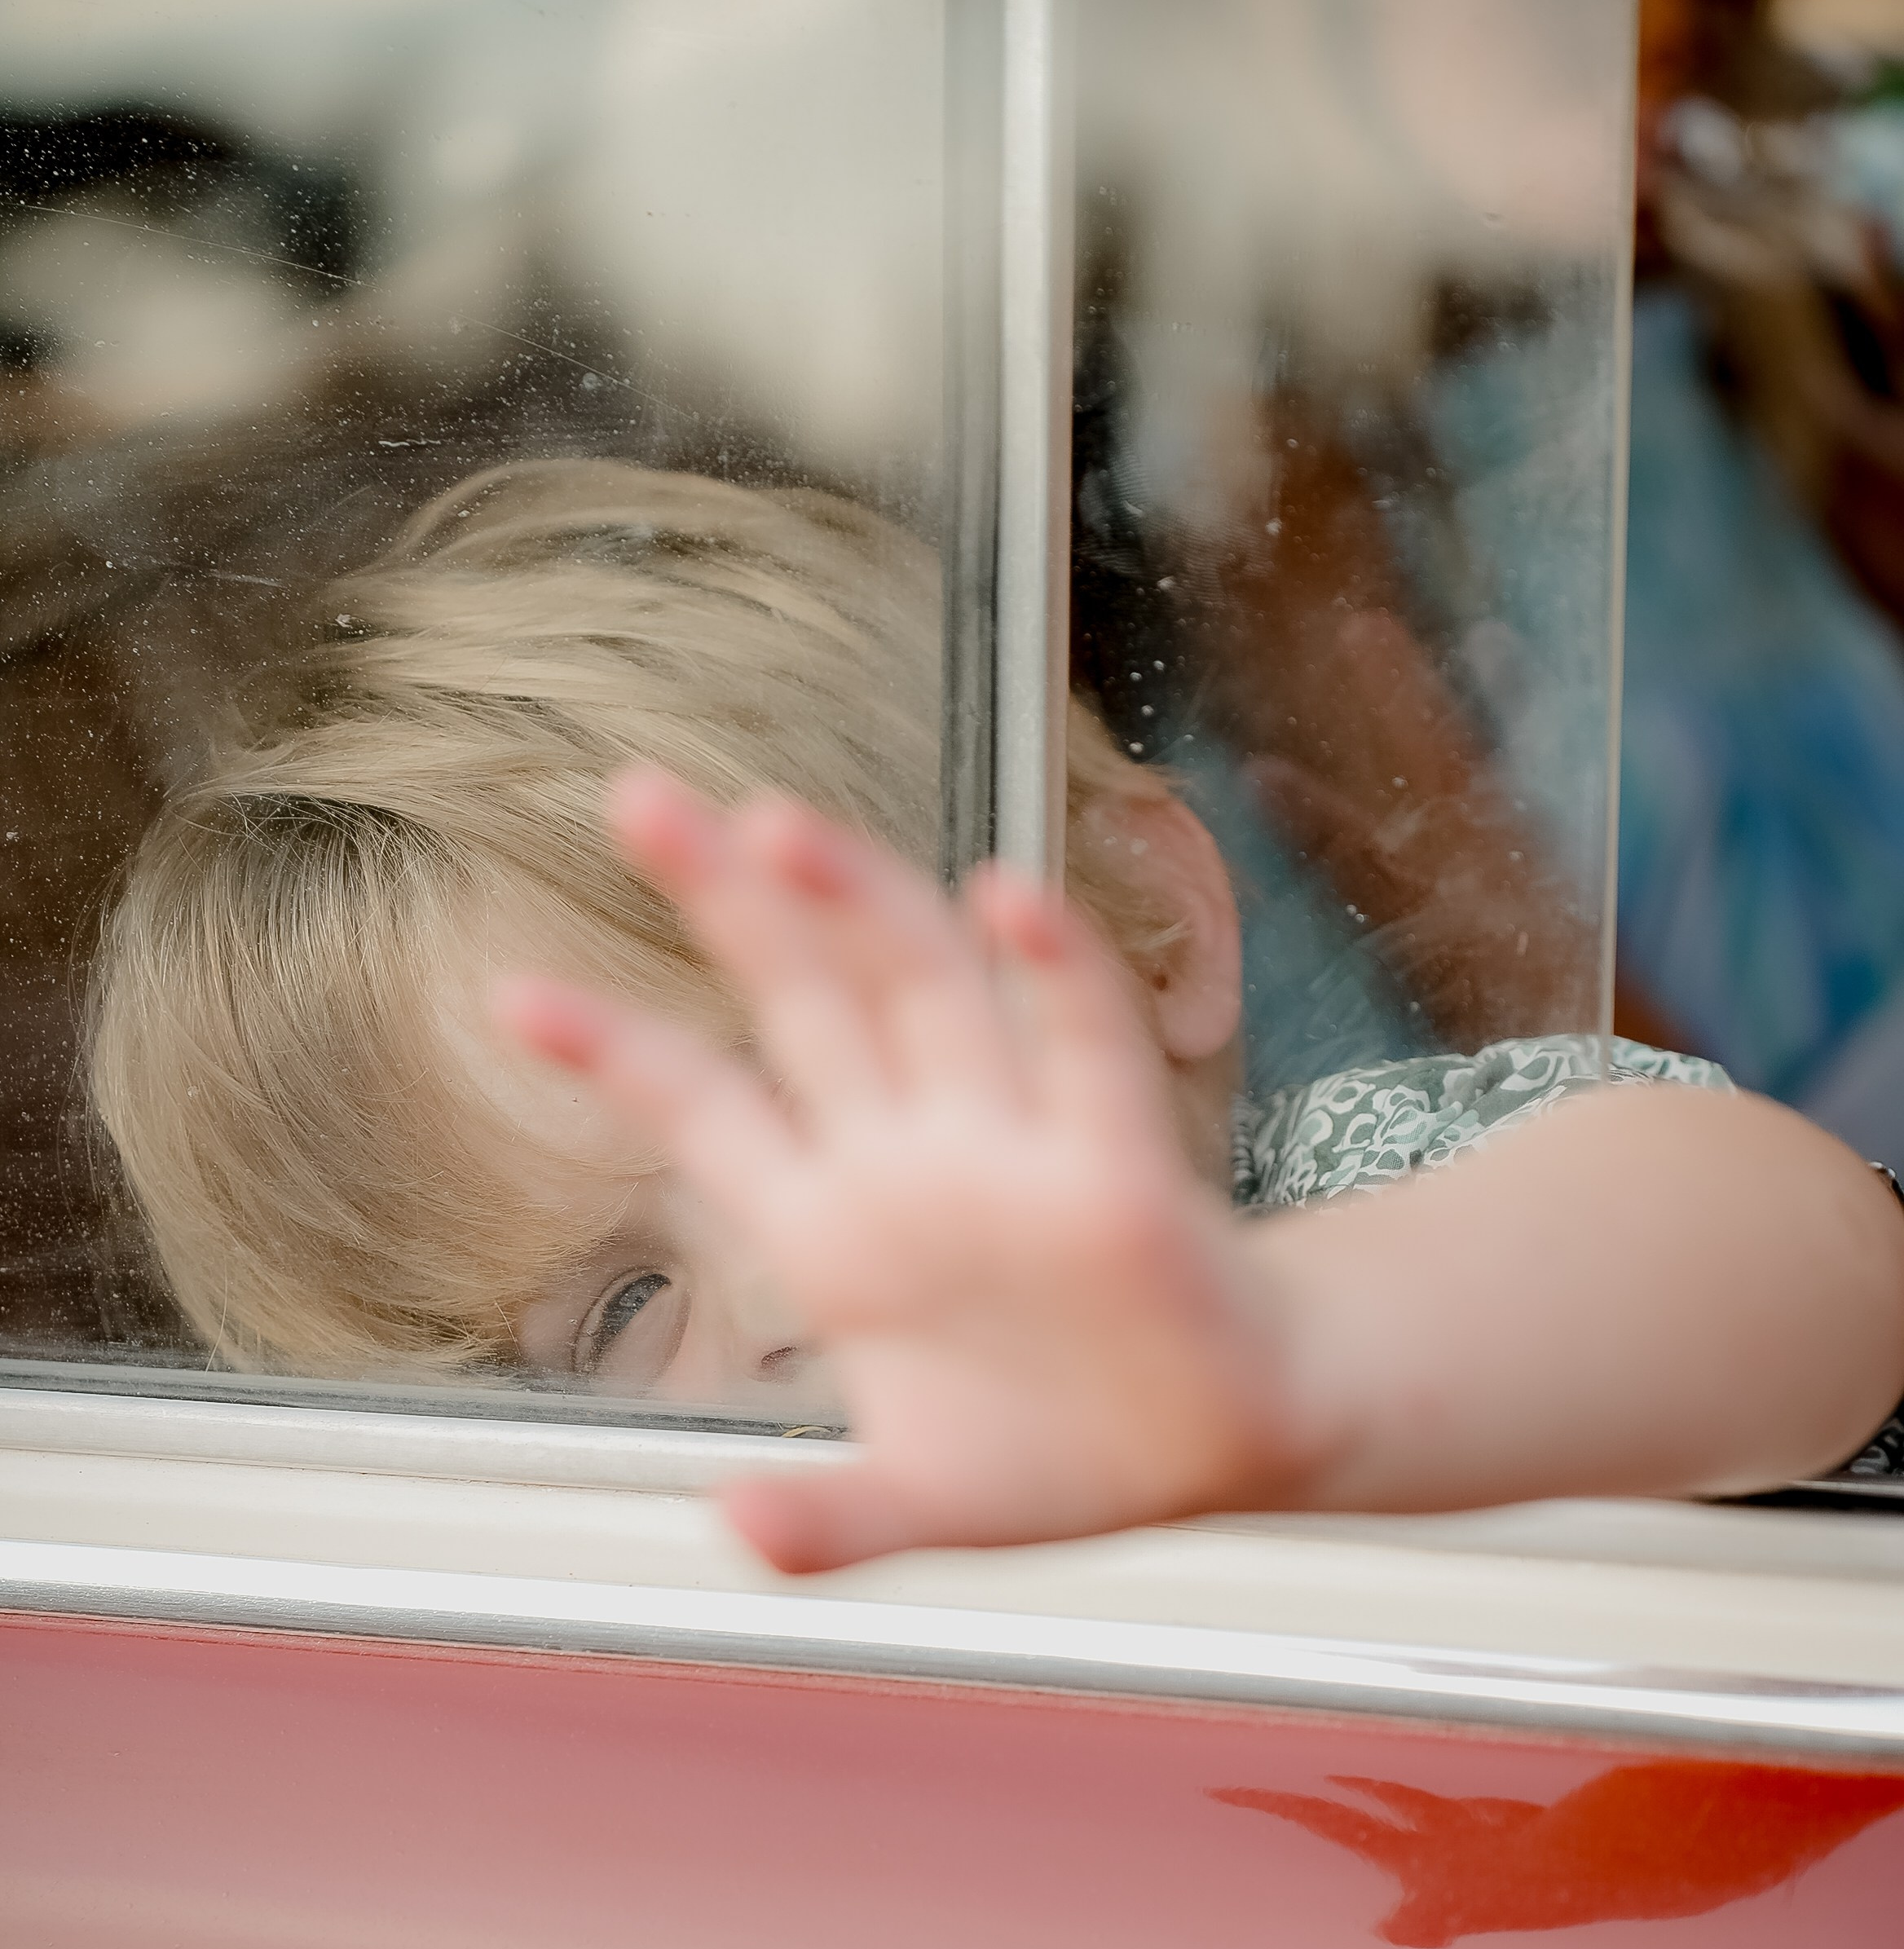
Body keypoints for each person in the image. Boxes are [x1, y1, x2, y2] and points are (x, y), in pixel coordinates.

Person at [89, 458, 1904, 1572]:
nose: (795, 1299)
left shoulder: (1345, 1217)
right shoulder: (748, 1566)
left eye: (833, 1095)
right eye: (626, 1308)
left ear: (1156, 924)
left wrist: (1289, 1360)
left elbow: (1798, 1259)